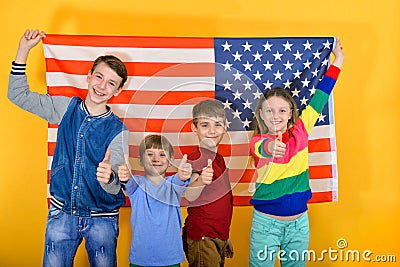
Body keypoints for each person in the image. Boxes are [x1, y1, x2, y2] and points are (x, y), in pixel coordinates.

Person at [8, 29, 130, 267]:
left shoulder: (119, 130)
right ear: (88, 76)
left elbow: (117, 187)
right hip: (61, 213)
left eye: (111, 83)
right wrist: (23, 50)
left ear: (117, 91)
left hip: (102, 219)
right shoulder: (65, 108)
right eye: (99, 77)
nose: (102, 86)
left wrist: (110, 177)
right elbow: (17, 95)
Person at [248, 38, 345, 267]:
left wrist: (338, 61)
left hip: (299, 224)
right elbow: (263, 148)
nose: (275, 116)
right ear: (261, 115)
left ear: (291, 113)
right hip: (266, 225)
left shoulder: (302, 129)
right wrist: (271, 147)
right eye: (269, 111)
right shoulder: (258, 141)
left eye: (282, 110)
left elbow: (321, 95)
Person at [117, 134, 192, 267]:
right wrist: (125, 175)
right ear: (140, 160)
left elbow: (180, 179)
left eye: (162, 155)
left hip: (170, 259)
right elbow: (128, 181)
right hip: (140, 259)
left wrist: (183, 174)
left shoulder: (172, 185)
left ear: (170, 161)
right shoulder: (137, 184)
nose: (156, 159)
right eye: (150, 154)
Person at [182, 99, 234, 267]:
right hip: (203, 235)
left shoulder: (219, 159)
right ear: (194, 128)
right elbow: (189, 194)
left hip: (216, 235)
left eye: (217, 125)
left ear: (225, 127)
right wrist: (201, 181)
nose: (212, 131)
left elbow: (220, 203)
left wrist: (224, 237)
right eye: (205, 125)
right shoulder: (197, 157)